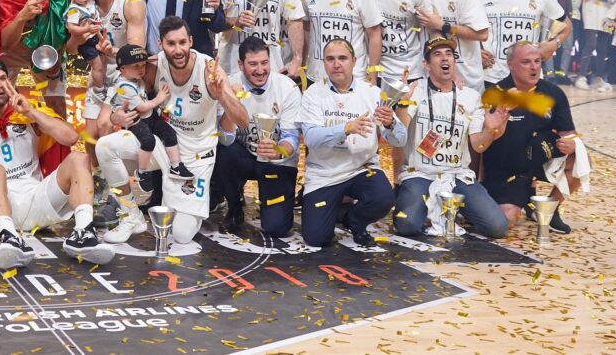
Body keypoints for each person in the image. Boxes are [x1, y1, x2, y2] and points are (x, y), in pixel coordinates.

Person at [0, 60, 115, 263]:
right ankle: (8, 236)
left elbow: (70, 138)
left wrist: (30, 113)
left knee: (80, 158)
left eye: (3, 78)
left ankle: (83, 233)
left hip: (36, 199)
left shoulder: (28, 111)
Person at [96, 16, 229, 245]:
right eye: (171, 43)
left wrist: (223, 94)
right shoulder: (151, 66)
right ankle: (131, 215)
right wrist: (116, 116)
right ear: (161, 45)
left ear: (191, 41)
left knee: (182, 235)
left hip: (196, 156)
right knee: (105, 146)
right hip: (163, 145)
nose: (178, 50)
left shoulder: (209, 69)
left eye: (182, 42)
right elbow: (104, 119)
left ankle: (185, 201)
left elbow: (242, 118)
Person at [391, 36, 509, 239]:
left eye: (449, 54)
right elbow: (399, 133)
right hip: (420, 174)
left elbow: (478, 146)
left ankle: (453, 208)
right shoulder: (415, 91)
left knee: (498, 227)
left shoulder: (471, 97)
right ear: (426, 64)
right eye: (437, 54)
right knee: (406, 225)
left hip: (457, 175)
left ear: (454, 61)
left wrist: (490, 130)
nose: (444, 58)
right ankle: (425, 205)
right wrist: (402, 104)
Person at [295, 38, 406, 248]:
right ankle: (337, 209)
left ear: (354, 61)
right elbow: (310, 138)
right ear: (323, 63)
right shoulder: (313, 94)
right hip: (324, 174)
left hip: (361, 169)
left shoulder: (372, 93)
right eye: (330, 59)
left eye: (342, 58)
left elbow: (400, 140)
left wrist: (391, 123)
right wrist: (345, 128)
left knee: (383, 197)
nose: (336, 64)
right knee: (316, 238)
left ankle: (353, 220)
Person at [481, 43, 579, 233]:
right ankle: (516, 197)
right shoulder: (495, 94)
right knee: (507, 219)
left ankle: (550, 210)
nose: (534, 67)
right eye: (526, 62)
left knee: (581, 161)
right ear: (510, 65)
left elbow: (568, 132)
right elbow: (483, 143)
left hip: (539, 158)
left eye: (537, 61)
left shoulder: (553, 93)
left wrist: (571, 143)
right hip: (507, 168)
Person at [214, 35, 302, 241]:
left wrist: (279, 150)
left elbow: (292, 136)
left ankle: (269, 202)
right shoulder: (228, 85)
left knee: (277, 228)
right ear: (240, 65)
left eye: (264, 63)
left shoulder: (287, 88)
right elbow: (224, 140)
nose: (260, 70)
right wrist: (232, 103)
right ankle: (234, 206)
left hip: (277, 162)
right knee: (223, 153)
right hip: (244, 157)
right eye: (253, 64)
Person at [77, 0, 147, 130]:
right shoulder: (83, 0)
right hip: (99, 75)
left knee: (106, 128)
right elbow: (70, 49)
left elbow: (137, 54)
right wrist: (78, 36)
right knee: (90, 137)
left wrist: (112, 50)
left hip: (125, 77)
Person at [106, 45, 185, 199]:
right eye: (136, 66)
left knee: (169, 132)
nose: (141, 69)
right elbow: (141, 107)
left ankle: (176, 166)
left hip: (149, 117)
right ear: (123, 68)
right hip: (135, 121)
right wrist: (159, 98)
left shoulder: (136, 80)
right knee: (148, 141)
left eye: (143, 65)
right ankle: (142, 172)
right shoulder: (123, 86)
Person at [537, 0, 576, 82]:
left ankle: (562, 73)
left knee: (567, 46)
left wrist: (570, 13)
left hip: (565, 16)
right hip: (549, 16)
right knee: (548, 45)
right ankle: (550, 74)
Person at [64, 0, 106, 91]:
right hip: (86, 42)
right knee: (97, 66)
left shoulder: (89, 0)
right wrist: (87, 29)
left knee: (102, 63)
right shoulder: (74, 10)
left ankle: (97, 84)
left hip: (96, 37)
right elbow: (72, 28)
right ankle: (99, 89)